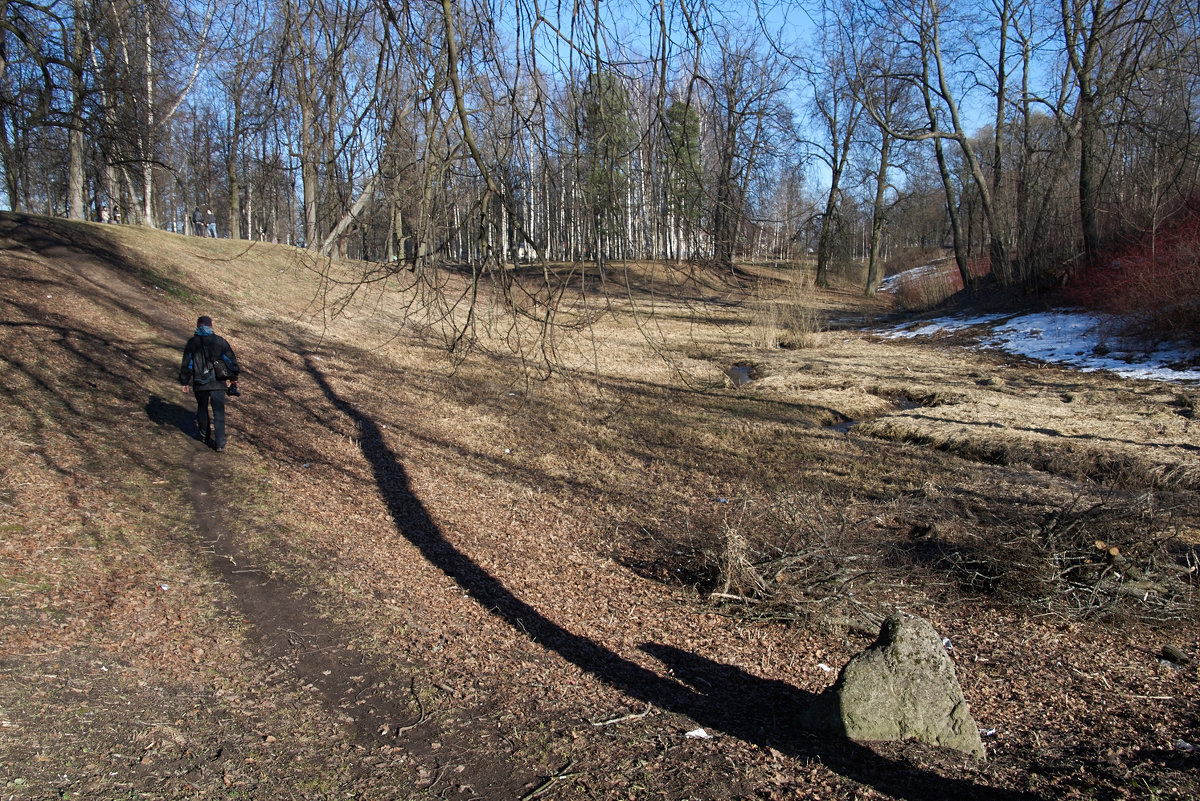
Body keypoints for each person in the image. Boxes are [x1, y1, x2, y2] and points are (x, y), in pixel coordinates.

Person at [179, 315, 241, 452]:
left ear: (198, 326)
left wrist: (184, 381)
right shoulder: (220, 341)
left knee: (202, 409)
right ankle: (220, 443)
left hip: (199, 382)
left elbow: (187, 364)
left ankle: (204, 435)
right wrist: (233, 378)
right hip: (218, 382)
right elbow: (230, 361)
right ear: (211, 326)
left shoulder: (192, 343)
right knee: (219, 412)